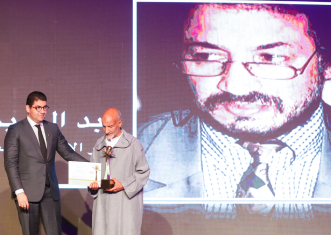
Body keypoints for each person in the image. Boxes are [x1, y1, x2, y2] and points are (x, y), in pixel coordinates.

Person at [138, 3, 331, 218]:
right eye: (207, 56)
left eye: (270, 58)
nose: (235, 87)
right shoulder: (127, 151)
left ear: (327, 64)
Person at [3, 91, 88, 235]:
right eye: (38, 107)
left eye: (45, 107)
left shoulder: (52, 128)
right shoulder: (16, 130)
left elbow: (67, 152)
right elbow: (10, 163)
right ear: (28, 108)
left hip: (50, 192)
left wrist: (93, 168)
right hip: (27, 194)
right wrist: (18, 191)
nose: (42, 111)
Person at [87, 108, 150, 235]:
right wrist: (93, 184)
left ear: (120, 123)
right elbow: (93, 173)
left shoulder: (132, 144)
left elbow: (143, 172)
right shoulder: (99, 146)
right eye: (104, 126)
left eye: (110, 126)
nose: (107, 130)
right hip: (104, 201)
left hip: (125, 202)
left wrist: (123, 184)